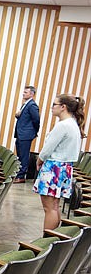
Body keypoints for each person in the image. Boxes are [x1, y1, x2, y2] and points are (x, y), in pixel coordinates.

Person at [33, 94, 85, 230]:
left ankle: (46, 239)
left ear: (63, 107)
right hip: (65, 168)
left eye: (54, 104)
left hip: (53, 167)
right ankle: (53, 237)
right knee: (55, 206)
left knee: (49, 208)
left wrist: (39, 161)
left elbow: (47, 149)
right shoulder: (73, 124)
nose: (52, 107)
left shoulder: (62, 126)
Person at [14, 85, 40, 183]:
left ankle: (21, 176)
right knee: (20, 155)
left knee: (24, 156)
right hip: (21, 133)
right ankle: (19, 174)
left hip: (26, 134)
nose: (23, 93)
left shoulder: (32, 105)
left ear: (32, 94)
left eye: (26, 92)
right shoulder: (25, 104)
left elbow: (36, 120)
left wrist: (33, 131)